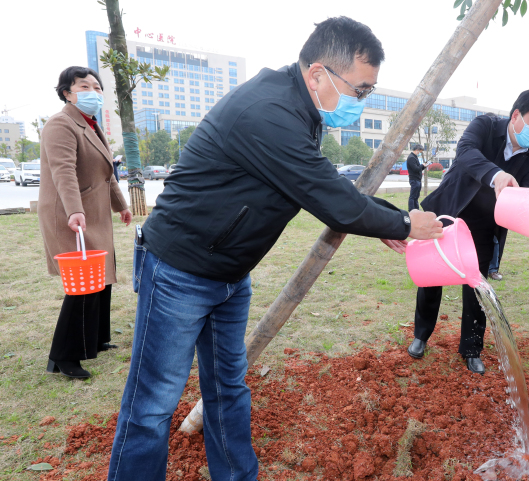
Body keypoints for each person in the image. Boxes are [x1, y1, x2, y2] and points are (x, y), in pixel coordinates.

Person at [107, 17, 442, 481]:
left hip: (229, 273)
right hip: (179, 270)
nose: (361, 102)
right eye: (361, 91)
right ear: (319, 74)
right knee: (152, 405)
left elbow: (323, 182)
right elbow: (327, 196)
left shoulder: (300, 109)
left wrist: (385, 218)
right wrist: (404, 222)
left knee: (228, 388)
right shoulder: (268, 110)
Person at [407, 87, 529, 374]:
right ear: (516, 115)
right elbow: (466, 152)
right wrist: (496, 174)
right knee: (431, 275)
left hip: (485, 223)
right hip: (449, 209)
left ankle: (471, 348)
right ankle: (421, 335)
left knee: (476, 285)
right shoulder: (485, 125)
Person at [39, 66, 132, 379]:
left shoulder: (91, 124)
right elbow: (63, 171)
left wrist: (121, 205)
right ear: (67, 92)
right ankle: (63, 357)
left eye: (97, 87)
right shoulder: (60, 124)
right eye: (84, 86)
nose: (93, 92)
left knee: (100, 277)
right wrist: (73, 211)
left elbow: (106, 173)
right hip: (71, 213)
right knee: (83, 284)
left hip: (94, 212)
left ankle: (95, 339)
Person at [407, 143, 425, 210]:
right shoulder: (411, 158)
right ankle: (411, 209)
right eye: (420, 152)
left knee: (416, 196)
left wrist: (424, 166)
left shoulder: (415, 157)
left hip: (418, 179)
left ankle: (416, 209)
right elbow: (415, 169)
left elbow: (418, 169)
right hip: (414, 179)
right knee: (413, 196)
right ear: (417, 150)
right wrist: (422, 165)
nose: (420, 153)